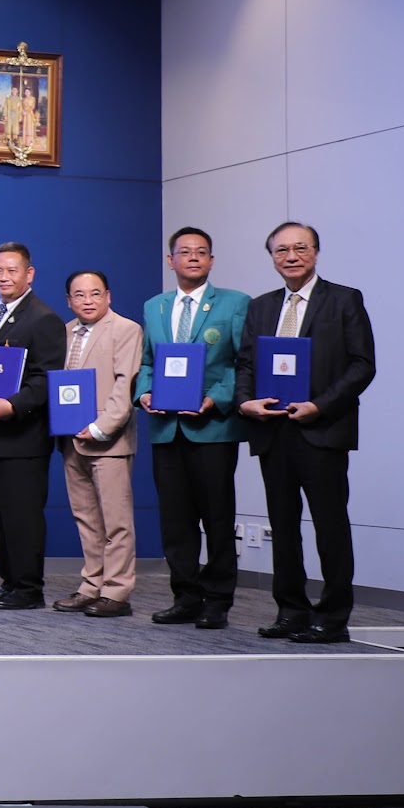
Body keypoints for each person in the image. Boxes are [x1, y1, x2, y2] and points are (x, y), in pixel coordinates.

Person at [235, 221, 376, 644]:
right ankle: (291, 612)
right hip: (273, 431)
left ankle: (332, 618)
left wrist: (321, 405)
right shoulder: (260, 306)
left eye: (300, 248)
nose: (291, 256)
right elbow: (246, 364)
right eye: (281, 250)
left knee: (330, 527)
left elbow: (362, 364)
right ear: (272, 257)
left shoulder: (344, 299)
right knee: (283, 527)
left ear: (316, 251)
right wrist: (245, 402)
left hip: (322, 430)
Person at [135, 227, 251, 630]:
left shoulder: (235, 303)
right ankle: (185, 596)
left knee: (217, 518)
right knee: (175, 520)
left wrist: (214, 399)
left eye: (202, 252)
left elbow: (242, 363)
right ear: (171, 261)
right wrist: (144, 392)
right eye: (185, 252)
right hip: (166, 428)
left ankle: (217, 600)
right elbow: (146, 361)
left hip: (212, 428)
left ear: (212, 260)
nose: (194, 258)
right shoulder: (155, 306)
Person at [0, 242, 64, 611]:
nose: (4, 277)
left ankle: (28, 588)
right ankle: (10, 581)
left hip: (22, 438)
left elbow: (46, 378)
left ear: (29, 273)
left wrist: (15, 404)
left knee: (22, 517)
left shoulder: (43, 319)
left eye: (12, 270)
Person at [52, 271, 143, 618]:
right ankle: (91, 586)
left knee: (116, 521)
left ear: (108, 296)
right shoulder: (65, 332)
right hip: (70, 439)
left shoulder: (125, 329)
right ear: (69, 301)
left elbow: (125, 385)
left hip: (108, 440)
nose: (87, 301)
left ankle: (116, 591)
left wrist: (100, 428)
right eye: (79, 295)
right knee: (86, 519)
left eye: (94, 293)